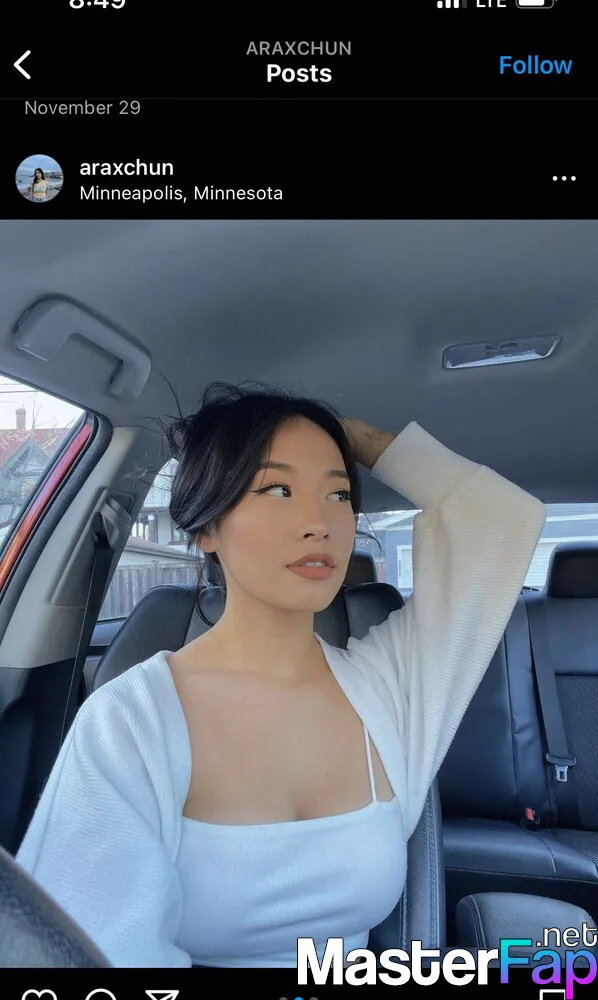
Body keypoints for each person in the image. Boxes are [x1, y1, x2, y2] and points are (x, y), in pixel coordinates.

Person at [14, 380, 546, 968]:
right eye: (278, 488)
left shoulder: (388, 688)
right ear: (206, 528)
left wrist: (362, 440)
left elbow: (501, 518)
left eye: (339, 494)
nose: (319, 522)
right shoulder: (129, 722)